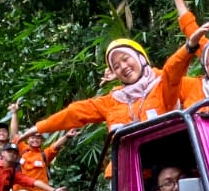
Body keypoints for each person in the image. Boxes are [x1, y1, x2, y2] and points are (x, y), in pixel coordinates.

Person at [18, 39, 175, 156]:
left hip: (170, 161)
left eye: (126, 59)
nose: (123, 67)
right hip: (130, 172)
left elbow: (183, 72)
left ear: (140, 57)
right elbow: (75, 112)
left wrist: (191, 43)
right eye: (116, 66)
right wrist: (36, 128)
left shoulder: (166, 82)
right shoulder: (114, 100)